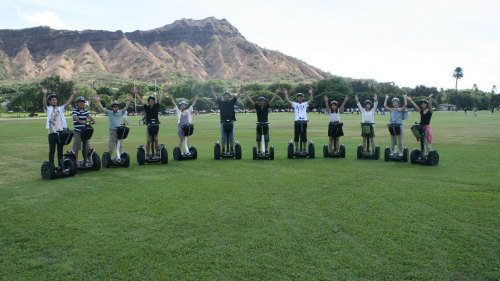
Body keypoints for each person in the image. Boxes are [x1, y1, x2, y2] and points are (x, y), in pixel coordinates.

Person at [42, 86, 75, 171]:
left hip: (61, 133)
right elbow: (44, 104)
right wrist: (44, 94)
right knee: (52, 151)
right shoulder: (48, 109)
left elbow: (67, 103)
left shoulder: (60, 109)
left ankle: (62, 167)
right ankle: (51, 167)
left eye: (55, 99)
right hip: (52, 133)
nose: (54, 101)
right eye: (52, 100)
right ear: (50, 101)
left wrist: (73, 95)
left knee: (60, 151)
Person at [242, 86, 279, 153]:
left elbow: (271, 101)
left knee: (266, 138)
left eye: (262, 101)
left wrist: (276, 94)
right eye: (260, 101)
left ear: (264, 102)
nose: (261, 102)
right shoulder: (257, 107)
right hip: (259, 124)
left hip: (265, 124)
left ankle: (266, 150)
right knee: (258, 138)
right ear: (258, 102)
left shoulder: (266, 107)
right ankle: (259, 150)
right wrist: (246, 94)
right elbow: (251, 101)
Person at [95, 94, 131, 161]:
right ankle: (109, 159)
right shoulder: (109, 112)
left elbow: (126, 107)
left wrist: (128, 100)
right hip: (112, 131)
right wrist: (98, 101)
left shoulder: (120, 112)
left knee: (120, 145)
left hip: (119, 131)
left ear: (118, 107)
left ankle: (118, 157)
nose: (115, 107)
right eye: (114, 106)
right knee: (111, 146)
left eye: (116, 106)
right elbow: (102, 108)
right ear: (112, 107)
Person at [134, 85, 166, 159]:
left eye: (152, 101)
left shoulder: (156, 106)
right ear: (148, 102)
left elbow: (161, 99)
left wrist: (164, 92)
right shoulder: (147, 107)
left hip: (156, 126)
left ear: (154, 101)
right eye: (150, 101)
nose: (151, 102)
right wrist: (136, 94)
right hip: (149, 126)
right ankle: (148, 154)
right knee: (148, 141)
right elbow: (140, 101)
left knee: (156, 141)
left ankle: (157, 153)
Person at [210, 84, 240, 154]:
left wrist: (240, 90)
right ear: (223, 97)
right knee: (223, 137)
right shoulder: (221, 102)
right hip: (223, 122)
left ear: (229, 96)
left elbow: (236, 96)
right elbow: (215, 97)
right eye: (225, 95)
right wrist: (212, 89)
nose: (226, 96)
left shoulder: (232, 102)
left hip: (231, 121)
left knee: (231, 136)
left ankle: (232, 149)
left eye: (228, 95)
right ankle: (223, 150)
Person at [284, 87, 314, 153]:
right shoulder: (295, 104)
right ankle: (297, 149)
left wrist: (311, 93)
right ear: (297, 98)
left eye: (301, 97)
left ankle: (304, 149)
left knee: (304, 136)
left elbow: (311, 99)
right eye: (298, 97)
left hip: (304, 121)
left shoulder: (305, 104)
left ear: (302, 98)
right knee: (296, 136)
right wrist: (286, 94)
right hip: (297, 121)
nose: (300, 98)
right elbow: (288, 100)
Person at [72, 95, 96, 167]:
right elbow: (75, 117)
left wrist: (93, 120)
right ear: (77, 103)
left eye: (82, 102)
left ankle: (85, 160)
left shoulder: (85, 111)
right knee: (76, 146)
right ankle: (76, 161)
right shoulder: (75, 110)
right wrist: (80, 121)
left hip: (85, 131)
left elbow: (89, 116)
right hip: (78, 131)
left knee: (87, 146)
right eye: (79, 102)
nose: (81, 103)